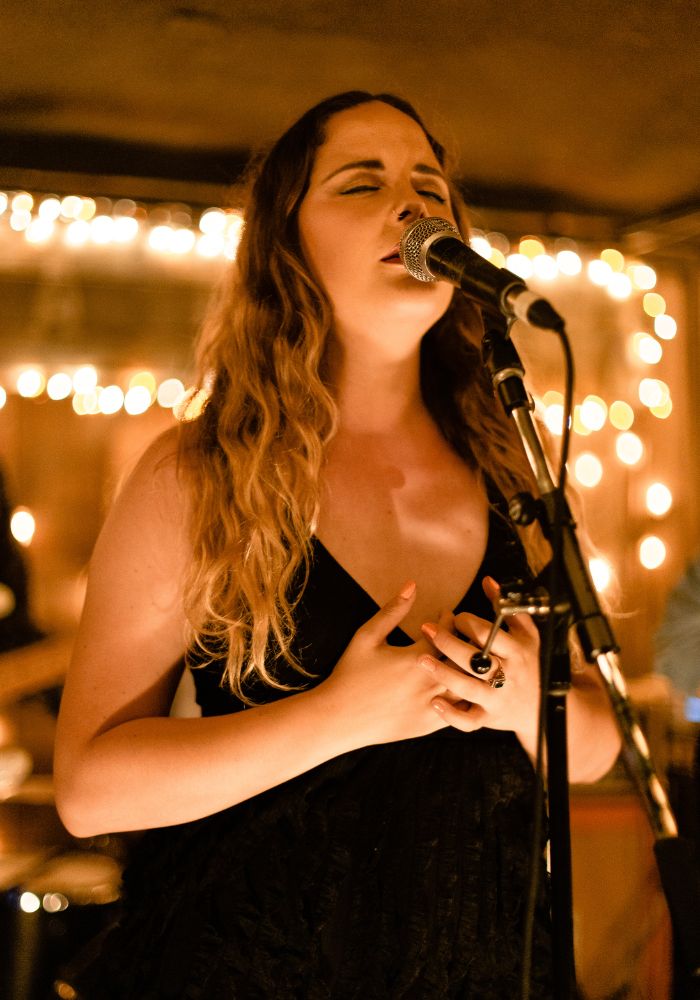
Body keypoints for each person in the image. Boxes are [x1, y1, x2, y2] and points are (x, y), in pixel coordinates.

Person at [54, 91, 621, 999]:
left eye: (429, 186)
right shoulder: (201, 472)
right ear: (287, 245)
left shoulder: (514, 467)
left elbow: (593, 747)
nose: (412, 205)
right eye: (363, 184)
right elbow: (90, 791)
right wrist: (336, 718)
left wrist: (526, 700)